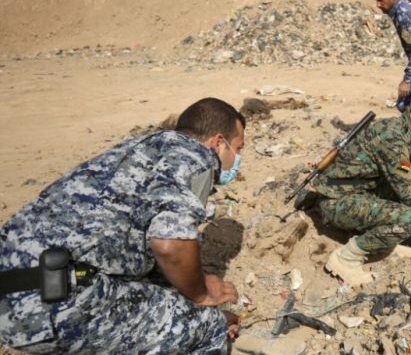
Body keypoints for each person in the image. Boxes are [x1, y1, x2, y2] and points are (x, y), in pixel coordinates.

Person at [0, 97, 246, 354]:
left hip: (12, 302)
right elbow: (169, 245)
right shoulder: (194, 156)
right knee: (210, 328)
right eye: (238, 148)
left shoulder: (140, 151)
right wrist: (203, 294)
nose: (238, 159)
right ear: (219, 142)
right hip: (57, 303)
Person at [309, 89, 411, 286]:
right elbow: (409, 194)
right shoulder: (392, 140)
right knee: (408, 218)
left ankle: (383, 239)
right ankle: (346, 258)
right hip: (337, 202)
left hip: (362, 191)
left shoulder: (407, 131)